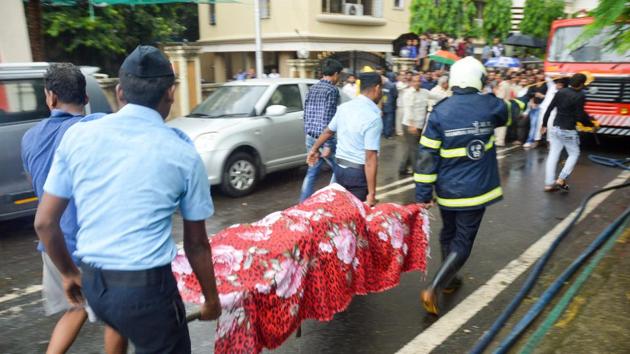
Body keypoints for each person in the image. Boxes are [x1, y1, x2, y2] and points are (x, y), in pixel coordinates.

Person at [34, 46, 222, 353]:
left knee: (122, 326)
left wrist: (69, 274)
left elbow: (44, 222)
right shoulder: (183, 153)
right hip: (148, 294)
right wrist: (211, 300)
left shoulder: (79, 135)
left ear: (120, 91)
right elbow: (197, 244)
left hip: (95, 286)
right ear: (170, 94)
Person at [21, 63, 127, 354]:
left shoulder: (29, 137)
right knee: (116, 318)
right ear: (87, 98)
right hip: (89, 245)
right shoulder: (96, 127)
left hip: (53, 247)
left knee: (76, 308)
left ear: (51, 98)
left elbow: (37, 185)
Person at [415, 57, 527, 315]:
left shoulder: (440, 111)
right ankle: (435, 286)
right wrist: (530, 94)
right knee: (462, 243)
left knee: (448, 233)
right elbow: (514, 109)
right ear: (479, 79)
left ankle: (449, 279)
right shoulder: (489, 105)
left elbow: (426, 155)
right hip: (475, 192)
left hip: (447, 192)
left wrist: (423, 193)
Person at [306, 72, 383, 206]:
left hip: (339, 171)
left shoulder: (344, 108)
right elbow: (370, 158)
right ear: (376, 88)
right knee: (356, 218)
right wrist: (371, 194)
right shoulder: (373, 117)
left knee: (342, 212)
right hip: (358, 176)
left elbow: (328, 131)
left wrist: (314, 148)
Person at [541, 73, 595, 192]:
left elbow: (550, 108)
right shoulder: (580, 96)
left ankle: (549, 184)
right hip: (568, 130)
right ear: (581, 84)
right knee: (574, 153)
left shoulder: (561, 92)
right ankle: (561, 178)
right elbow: (580, 116)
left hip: (555, 128)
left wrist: (544, 124)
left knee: (553, 154)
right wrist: (591, 125)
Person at [299, 59, 343, 202]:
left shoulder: (312, 88)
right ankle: (330, 199)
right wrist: (328, 144)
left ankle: (303, 203)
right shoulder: (332, 90)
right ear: (335, 74)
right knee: (340, 169)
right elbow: (329, 118)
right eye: (339, 75)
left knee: (311, 172)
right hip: (324, 139)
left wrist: (309, 135)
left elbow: (305, 114)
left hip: (310, 136)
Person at [399, 75, 429, 176]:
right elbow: (408, 110)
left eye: (419, 81)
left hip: (420, 124)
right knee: (414, 149)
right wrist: (412, 125)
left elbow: (436, 96)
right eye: (415, 81)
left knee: (410, 147)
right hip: (410, 125)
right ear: (411, 82)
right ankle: (417, 171)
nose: (417, 83)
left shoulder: (425, 92)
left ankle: (402, 168)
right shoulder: (408, 94)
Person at [523, 72, 548, 148]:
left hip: (541, 107)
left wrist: (542, 96)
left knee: (536, 125)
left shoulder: (546, 85)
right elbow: (528, 94)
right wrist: (533, 98)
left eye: (542, 74)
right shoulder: (533, 84)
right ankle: (531, 140)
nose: (540, 75)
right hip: (532, 107)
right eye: (539, 74)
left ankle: (531, 140)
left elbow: (549, 96)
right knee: (533, 125)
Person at [381, 73, 398, 139]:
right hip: (388, 105)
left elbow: (395, 95)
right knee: (388, 120)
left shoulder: (388, 85)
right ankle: (387, 134)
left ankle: (386, 133)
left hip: (386, 105)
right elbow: (395, 95)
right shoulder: (391, 85)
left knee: (387, 120)